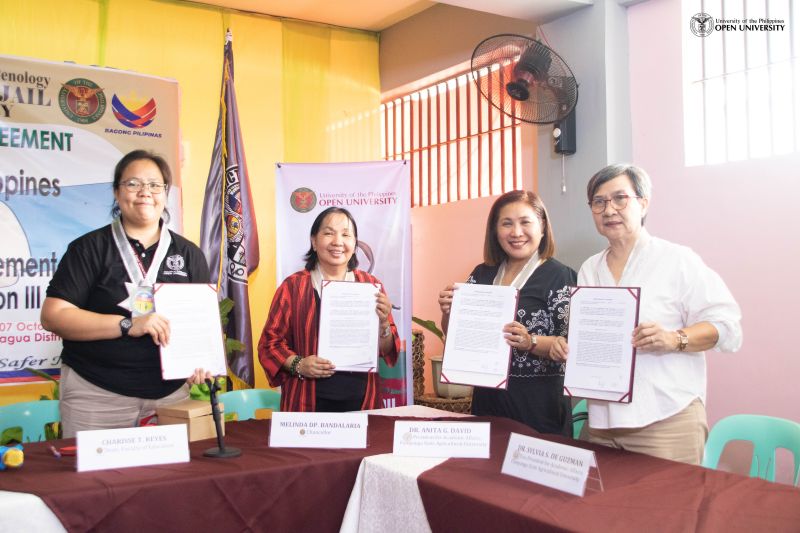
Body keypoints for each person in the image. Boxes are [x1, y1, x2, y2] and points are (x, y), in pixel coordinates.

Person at [552, 163, 742, 464]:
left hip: (666, 420)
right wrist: (571, 349)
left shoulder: (677, 259)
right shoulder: (590, 268)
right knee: (602, 510)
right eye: (598, 202)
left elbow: (728, 328)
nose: (608, 209)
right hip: (602, 421)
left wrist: (674, 339)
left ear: (643, 203)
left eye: (619, 198)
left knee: (669, 510)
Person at [41, 150, 212, 438]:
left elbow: (200, 323)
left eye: (155, 185)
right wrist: (127, 324)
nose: (145, 192)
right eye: (133, 184)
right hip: (97, 395)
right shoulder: (89, 249)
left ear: (165, 194)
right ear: (117, 193)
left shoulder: (189, 254)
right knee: (97, 483)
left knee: (172, 480)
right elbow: (54, 316)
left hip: (171, 397)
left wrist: (202, 360)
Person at [438, 191, 576, 436]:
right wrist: (449, 312)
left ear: (542, 226)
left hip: (538, 409)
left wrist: (530, 341)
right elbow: (455, 334)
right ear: (495, 230)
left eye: (525, 222)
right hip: (487, 403)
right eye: (506, 223)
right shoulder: (482, 274)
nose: (516, 232)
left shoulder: (560, 276)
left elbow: (571, 346)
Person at [258, 207, 399, 412]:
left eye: (346, 234)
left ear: (354, 243)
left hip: (363, 403)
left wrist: (384, 323)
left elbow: (386, 349)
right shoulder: (293, 287)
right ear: (314, 241)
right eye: (328, 233)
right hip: (306, 404)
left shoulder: (370, 286)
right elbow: (269, 344)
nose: (337, 241)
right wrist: (299, 364)